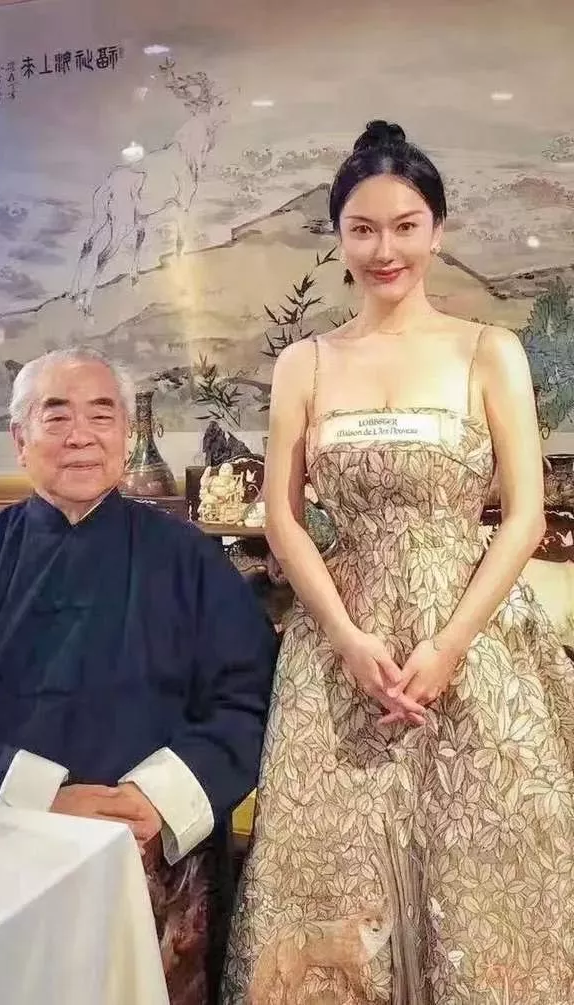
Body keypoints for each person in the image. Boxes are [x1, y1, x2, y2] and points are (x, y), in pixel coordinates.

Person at [221, 121, 574, 1004]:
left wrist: (449, 646)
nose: (386, 250)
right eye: (364, 229)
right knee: (336, 878)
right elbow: (283, 517)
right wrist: (345, 637)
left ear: (437, 230)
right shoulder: (305, 362)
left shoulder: (488, 349)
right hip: (343, 648)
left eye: (406, 226)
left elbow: (524, 517)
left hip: (475, 643)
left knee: (488, 873)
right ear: (339, 237)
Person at [0, 346, 278, 1005]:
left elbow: (249, 698)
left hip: (157, 857)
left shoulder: (190, 559)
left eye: (101, 414)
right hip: (1, 850)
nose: (81, 435)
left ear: (125, 434)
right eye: (56, 415)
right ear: (19, 440)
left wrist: (156, 800)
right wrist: (41, 796)